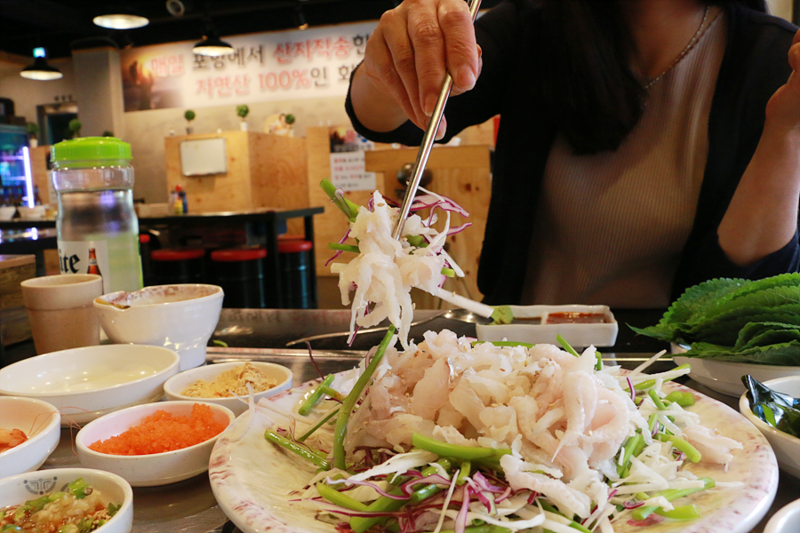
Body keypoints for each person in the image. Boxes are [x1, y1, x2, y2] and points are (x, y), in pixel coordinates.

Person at [345, 0, 800, 307]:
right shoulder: (534, 26)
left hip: (676, 370)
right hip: (515, 355)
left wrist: (787, 131)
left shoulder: (772, 57)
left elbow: (751, 291)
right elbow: (389, 118)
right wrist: (395, 54)